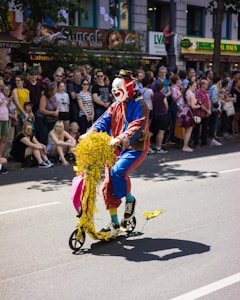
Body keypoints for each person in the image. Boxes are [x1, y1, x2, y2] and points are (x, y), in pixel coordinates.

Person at [83, 70, 150, 234]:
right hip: (115, 149)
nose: (114, 92)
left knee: (117, 171)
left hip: (135, 148)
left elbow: (137, 124)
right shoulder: (115, 106)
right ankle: (114, 224)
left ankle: (129, 200)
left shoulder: (140, 105)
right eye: (114, 88)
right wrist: (89, 133)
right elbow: (102, 122)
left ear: (128, 87)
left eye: (118, 88)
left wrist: (121, 137)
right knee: (107, 185)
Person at [181, 80, 201, 152]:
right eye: (194, 86)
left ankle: (185, 145)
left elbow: (184, 104)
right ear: (190, 86)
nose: (195, 88)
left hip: (185, 111)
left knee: (187, 130)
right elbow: (193, 106)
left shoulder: (186, 93)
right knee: (189, 130)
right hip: (190, 112)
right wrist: (198, 106)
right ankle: (185, 146)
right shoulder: (192, 94)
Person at [152, 81, 169, 153]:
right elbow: (166, 105)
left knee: (157, 130)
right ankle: (158, 147)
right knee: (161, 131)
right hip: (163, 114)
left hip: (156, 114)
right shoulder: (162, 95)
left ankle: (157, 145)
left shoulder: (154, 95)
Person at [194, 79, 211, 147]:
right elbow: (200, 104)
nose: (207, 85)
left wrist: (209, 110)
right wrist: (207, 110)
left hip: (206, 113)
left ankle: (204, 141)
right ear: (203, 84)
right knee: (197, 128)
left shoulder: (207, 92)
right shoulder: (198, 92)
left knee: (205, 127)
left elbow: (208, 101)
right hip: (198, 113)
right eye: (206, 84)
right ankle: (196, 142)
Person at [209, 76, 223, 145]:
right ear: (219, 81)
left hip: (212, 108)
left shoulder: (212, 88)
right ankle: (212, 139)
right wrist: (220, 98)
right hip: (214, 109)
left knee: (212, 123)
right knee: (213, 124)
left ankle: (212, 138)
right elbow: (214, 100)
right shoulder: (215, 89)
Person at [0, 85, 10, 173]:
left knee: (4, 139)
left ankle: (0, 159)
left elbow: (6, 107)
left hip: (5, 118)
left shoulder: (3, 95)